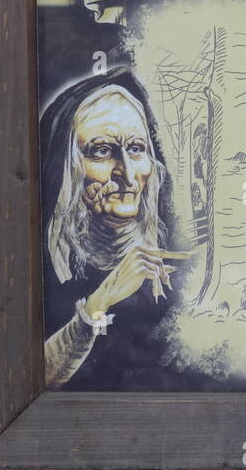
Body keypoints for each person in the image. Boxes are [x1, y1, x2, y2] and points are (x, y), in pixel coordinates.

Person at [40, 68, 192, 391]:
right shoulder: (44, 270)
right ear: (66, 167)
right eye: (103, 151)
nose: (126, 172)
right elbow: (31, 380)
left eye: (137, 149)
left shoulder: (180, 267)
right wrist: (98, 304)